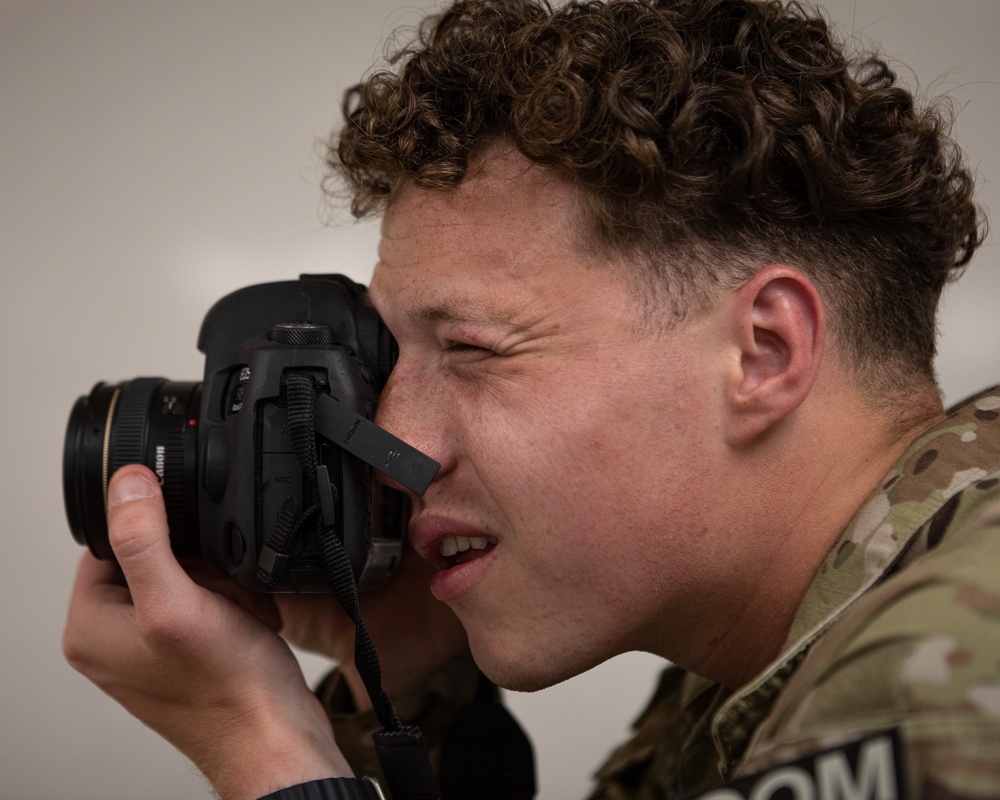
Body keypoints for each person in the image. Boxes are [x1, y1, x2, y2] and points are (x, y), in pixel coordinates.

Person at [63, 0, 1000, 797]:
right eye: (392, 359)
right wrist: (412, 682)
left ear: (763, 352)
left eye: (468, 349)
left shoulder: (944, 662)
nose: (393, 433)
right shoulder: (753, 664)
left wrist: (267, 753)